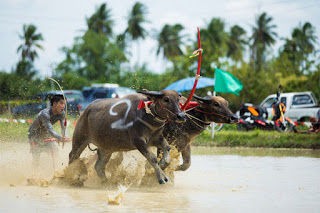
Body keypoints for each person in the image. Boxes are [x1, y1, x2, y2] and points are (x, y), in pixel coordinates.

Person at [28, 93, 70, 176]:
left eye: (64, 104)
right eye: (61, 103)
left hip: (45, 135)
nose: (63, 106)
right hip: (34, 136)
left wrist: (65, 136)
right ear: (54, 104)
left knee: (55, 150)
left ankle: (56, 172)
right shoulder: (45, 114)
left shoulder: (62, 113)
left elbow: (63, 128)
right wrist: (60, 138)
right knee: (36, 156)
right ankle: (34, 175)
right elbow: (50, 130)